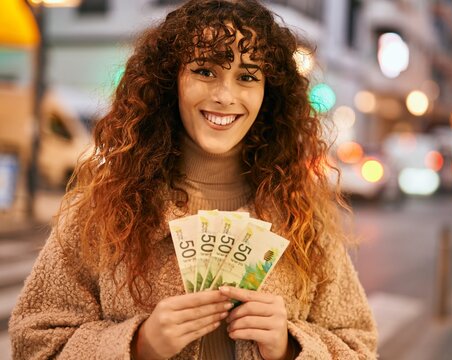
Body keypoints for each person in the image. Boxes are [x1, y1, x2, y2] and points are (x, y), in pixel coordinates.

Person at [9, 0, 378, 359]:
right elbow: (34, 342)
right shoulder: (102, 208)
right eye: (205, 71)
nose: (224, 95)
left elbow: (359, 346)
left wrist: (290, 347)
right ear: (172, 80)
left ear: (269, 94)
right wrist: (137, 345)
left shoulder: (302, 217)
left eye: (247, 76)